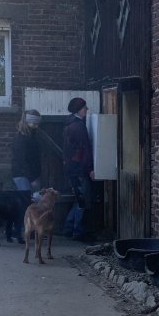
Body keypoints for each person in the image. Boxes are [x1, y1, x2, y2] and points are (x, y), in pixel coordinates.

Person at [62, 96, 94, 239]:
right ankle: (77, 232)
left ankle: (68, 228)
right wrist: (89, 169)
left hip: (71, 168)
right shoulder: (79, 126)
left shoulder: (69, 124)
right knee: (82, 201)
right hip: (79, 169)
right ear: (79, 109)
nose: (86, 109)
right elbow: (84, 149)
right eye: (84, 107)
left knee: (78, 199)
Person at [12, 109, 42, 193]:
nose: (36, 126)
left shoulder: (33, 137)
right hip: (22, 175)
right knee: (26, 198)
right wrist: (32, 178)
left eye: (37, 124)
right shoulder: (20, 139)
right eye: (34, 124)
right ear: (27, 122)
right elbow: (21, 161)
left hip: (32, 175)